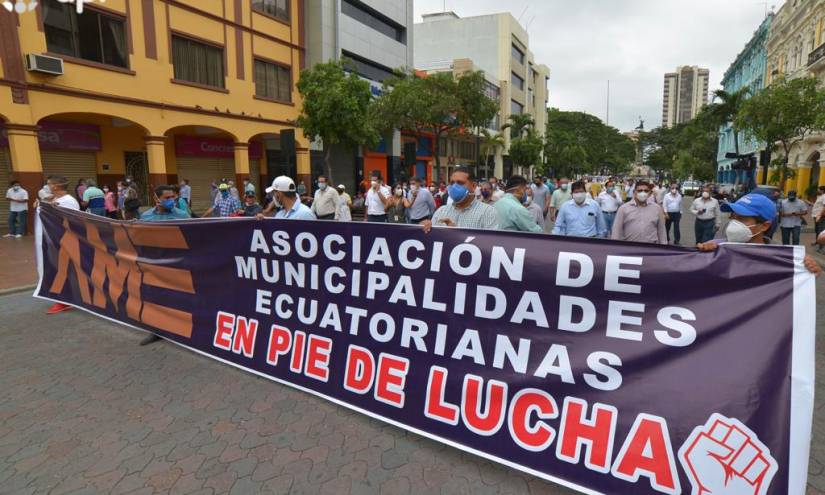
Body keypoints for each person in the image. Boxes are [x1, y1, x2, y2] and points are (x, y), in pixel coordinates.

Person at [697, 193, 821, 276]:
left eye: (742, 218)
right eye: (733, 217)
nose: (733, 223)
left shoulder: (781, 259)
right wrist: (702, 256)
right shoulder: (716, 246)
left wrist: (807, 272)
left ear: (764, 226)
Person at [43, 176, 80, 315]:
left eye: (49, 184)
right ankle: (68, 298)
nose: (48, 186)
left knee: (63, 269)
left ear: (56, 186)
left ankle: (64, 300)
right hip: (56, 240)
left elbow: (69, 221)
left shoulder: (68, 201)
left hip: (66, 240)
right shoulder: (56, 200)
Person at [422, 167, 499, 233]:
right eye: (452, 183)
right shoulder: (441, 212)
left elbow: (491, 244)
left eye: (460, 183)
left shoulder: (488, 213)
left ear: (473, 186)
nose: (454, 186)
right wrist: (425, 228)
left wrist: (458, 234)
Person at [812, 186, 825, 253]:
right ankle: (818, 242)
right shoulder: (820, 196)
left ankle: (822, 248)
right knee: (817, 230)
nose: (817, 190)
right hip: (816, 216)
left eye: (818, 189)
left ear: (822, 190)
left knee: (821, 231)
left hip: (820, 217)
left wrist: (820, 215)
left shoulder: (824, 196)